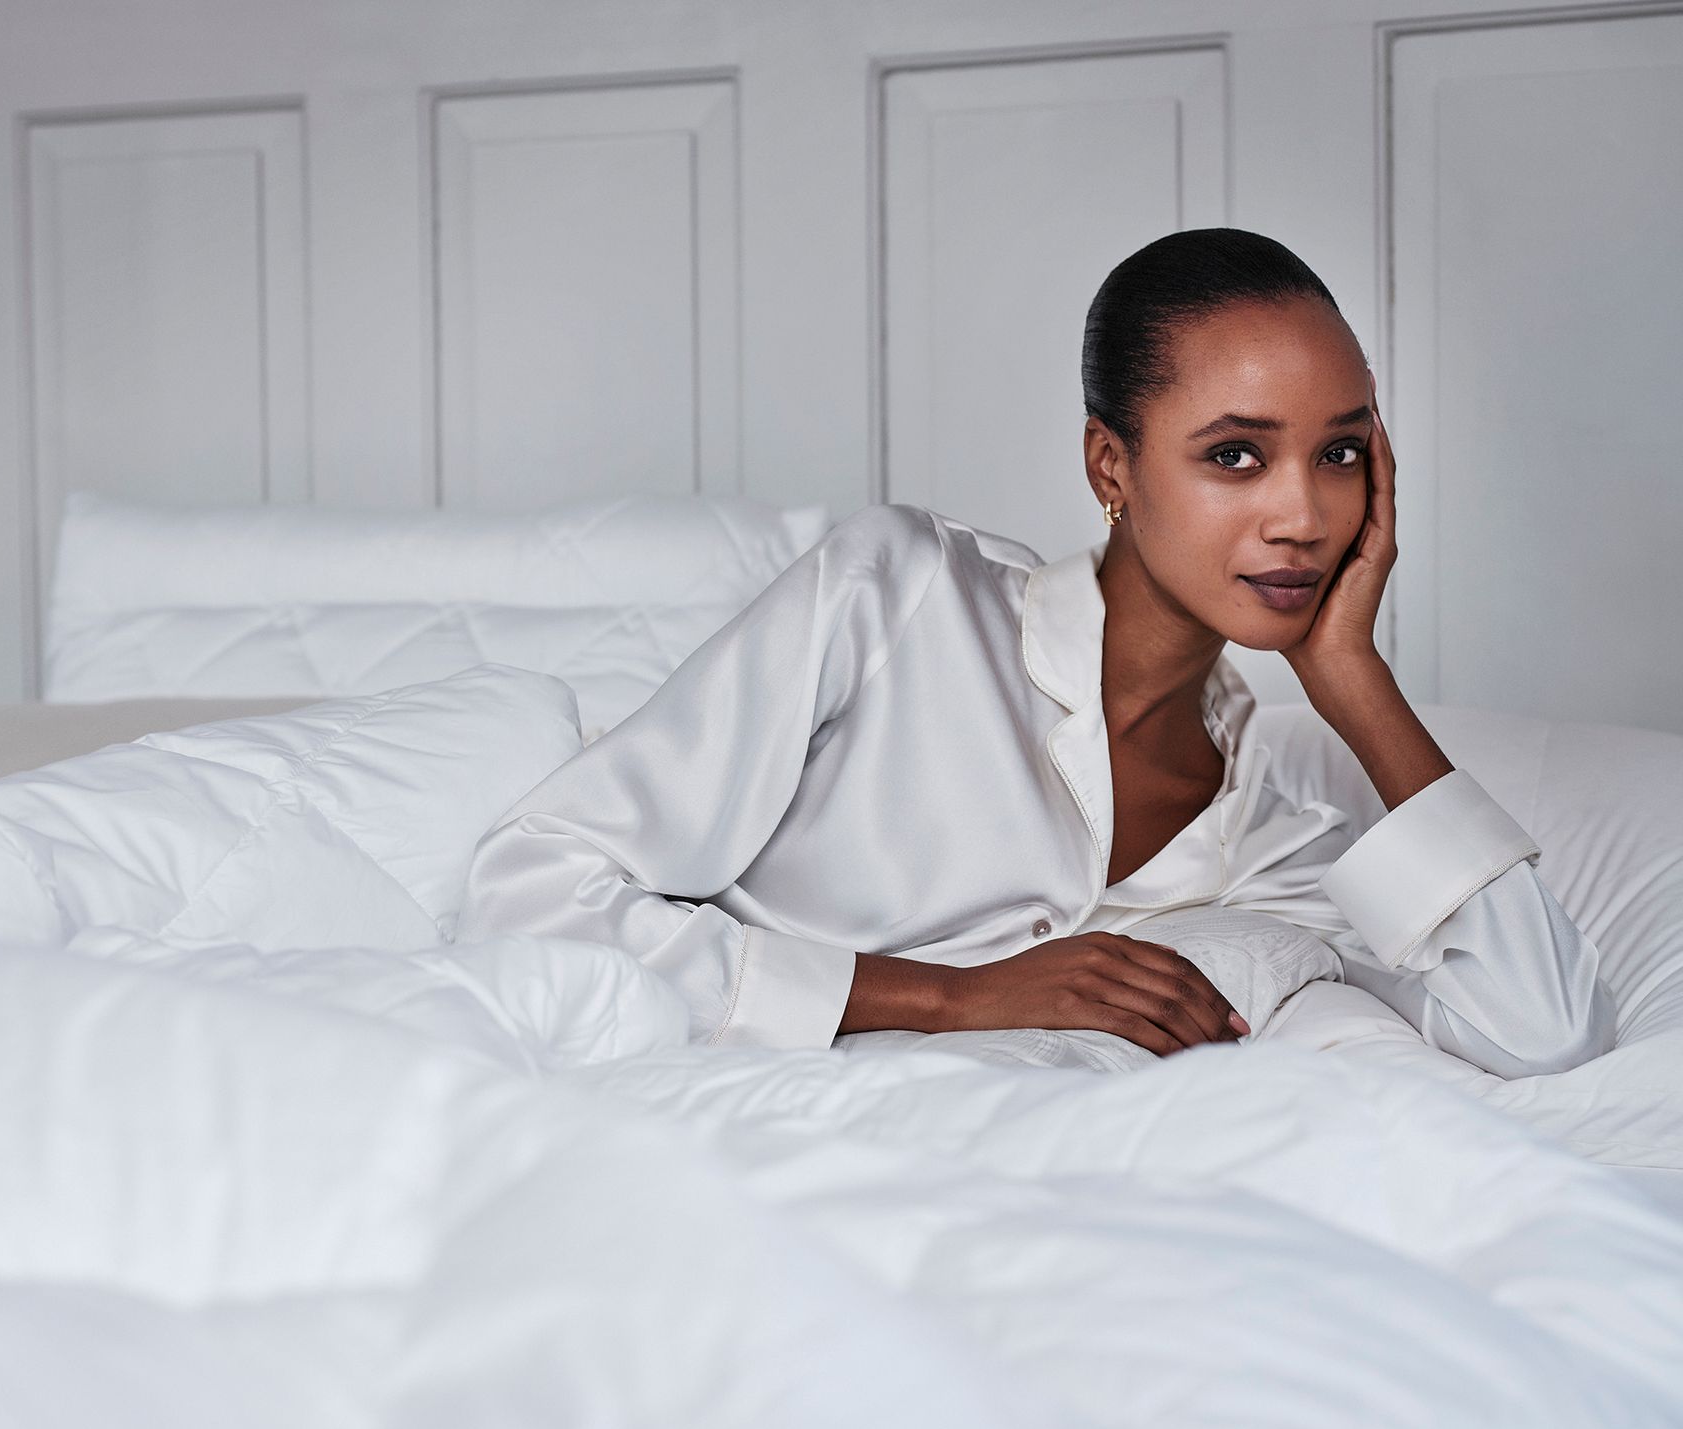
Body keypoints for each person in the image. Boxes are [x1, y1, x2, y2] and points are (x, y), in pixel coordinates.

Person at [458, 228, 1615, 1080]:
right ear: (1111, 468)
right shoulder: (897, 596)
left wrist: (1358, 684)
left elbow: (1547, 1029)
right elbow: (532, 886)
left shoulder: (1263, 822)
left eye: (1343, 455)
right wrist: (950, 997)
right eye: (1235, 457)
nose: (1305, 516)